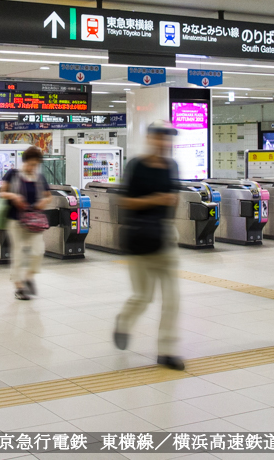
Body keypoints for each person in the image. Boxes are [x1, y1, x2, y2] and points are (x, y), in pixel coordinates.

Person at [113, 120, 184, 371]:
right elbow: (125, 203)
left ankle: (166, 350)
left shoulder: (172, 166)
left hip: (165, 237)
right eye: (162, 137)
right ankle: (123, 321)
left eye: (169, 138)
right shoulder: (136, 166)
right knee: (143, 296)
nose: (166, 142)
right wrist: (156, 199)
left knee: (172, 298)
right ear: (151, 138)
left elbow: (174, 200)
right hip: (140, 238)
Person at [0, 146, 51, 300]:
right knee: (19, 252)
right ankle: (19, 286)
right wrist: (14, 197)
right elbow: (2, 192)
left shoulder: (39, 178)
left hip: (34, 221)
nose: (32, 168)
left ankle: (28, 277)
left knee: (38, 251)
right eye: (30, 164)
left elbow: (48, 196)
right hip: (15, 221)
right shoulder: (13, 174)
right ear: (25, 162)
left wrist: (44, 201)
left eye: (35, 165)